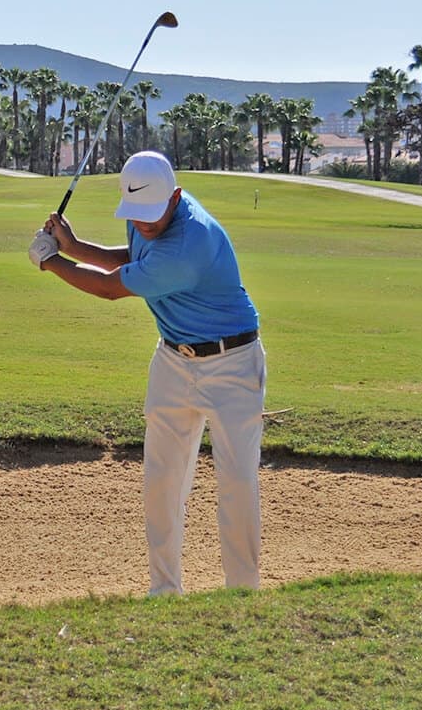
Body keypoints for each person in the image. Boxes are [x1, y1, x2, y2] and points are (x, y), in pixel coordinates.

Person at [29, 151, 266, 595]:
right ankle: (164, 591)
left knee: (236, 482)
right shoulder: (146, 212)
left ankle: (242, 593)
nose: (144, 225)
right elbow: (132, 256)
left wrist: (49, 261)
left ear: (176, 197)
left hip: (232, 363)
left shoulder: (189, 241)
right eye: (136, 217)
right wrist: (73, 246)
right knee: (162, 481)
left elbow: (111, 288)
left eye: (152, 217)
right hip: (173, 361)